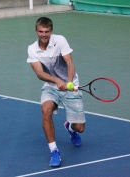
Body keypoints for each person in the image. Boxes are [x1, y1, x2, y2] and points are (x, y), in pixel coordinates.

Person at [27, 17, 86, 167]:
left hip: (70, 84)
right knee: (45, 109)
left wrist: (69, 82)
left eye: (46, 31)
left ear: (51, 31)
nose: (44, 34)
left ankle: (70, 128)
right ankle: (54, 151)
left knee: (80, 128)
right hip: (51, 86)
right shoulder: (32, 49)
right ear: (36, 31)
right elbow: (39, 73)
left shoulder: (60, 40)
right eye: (41, 31)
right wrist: (57, 81)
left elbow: (69, 62)